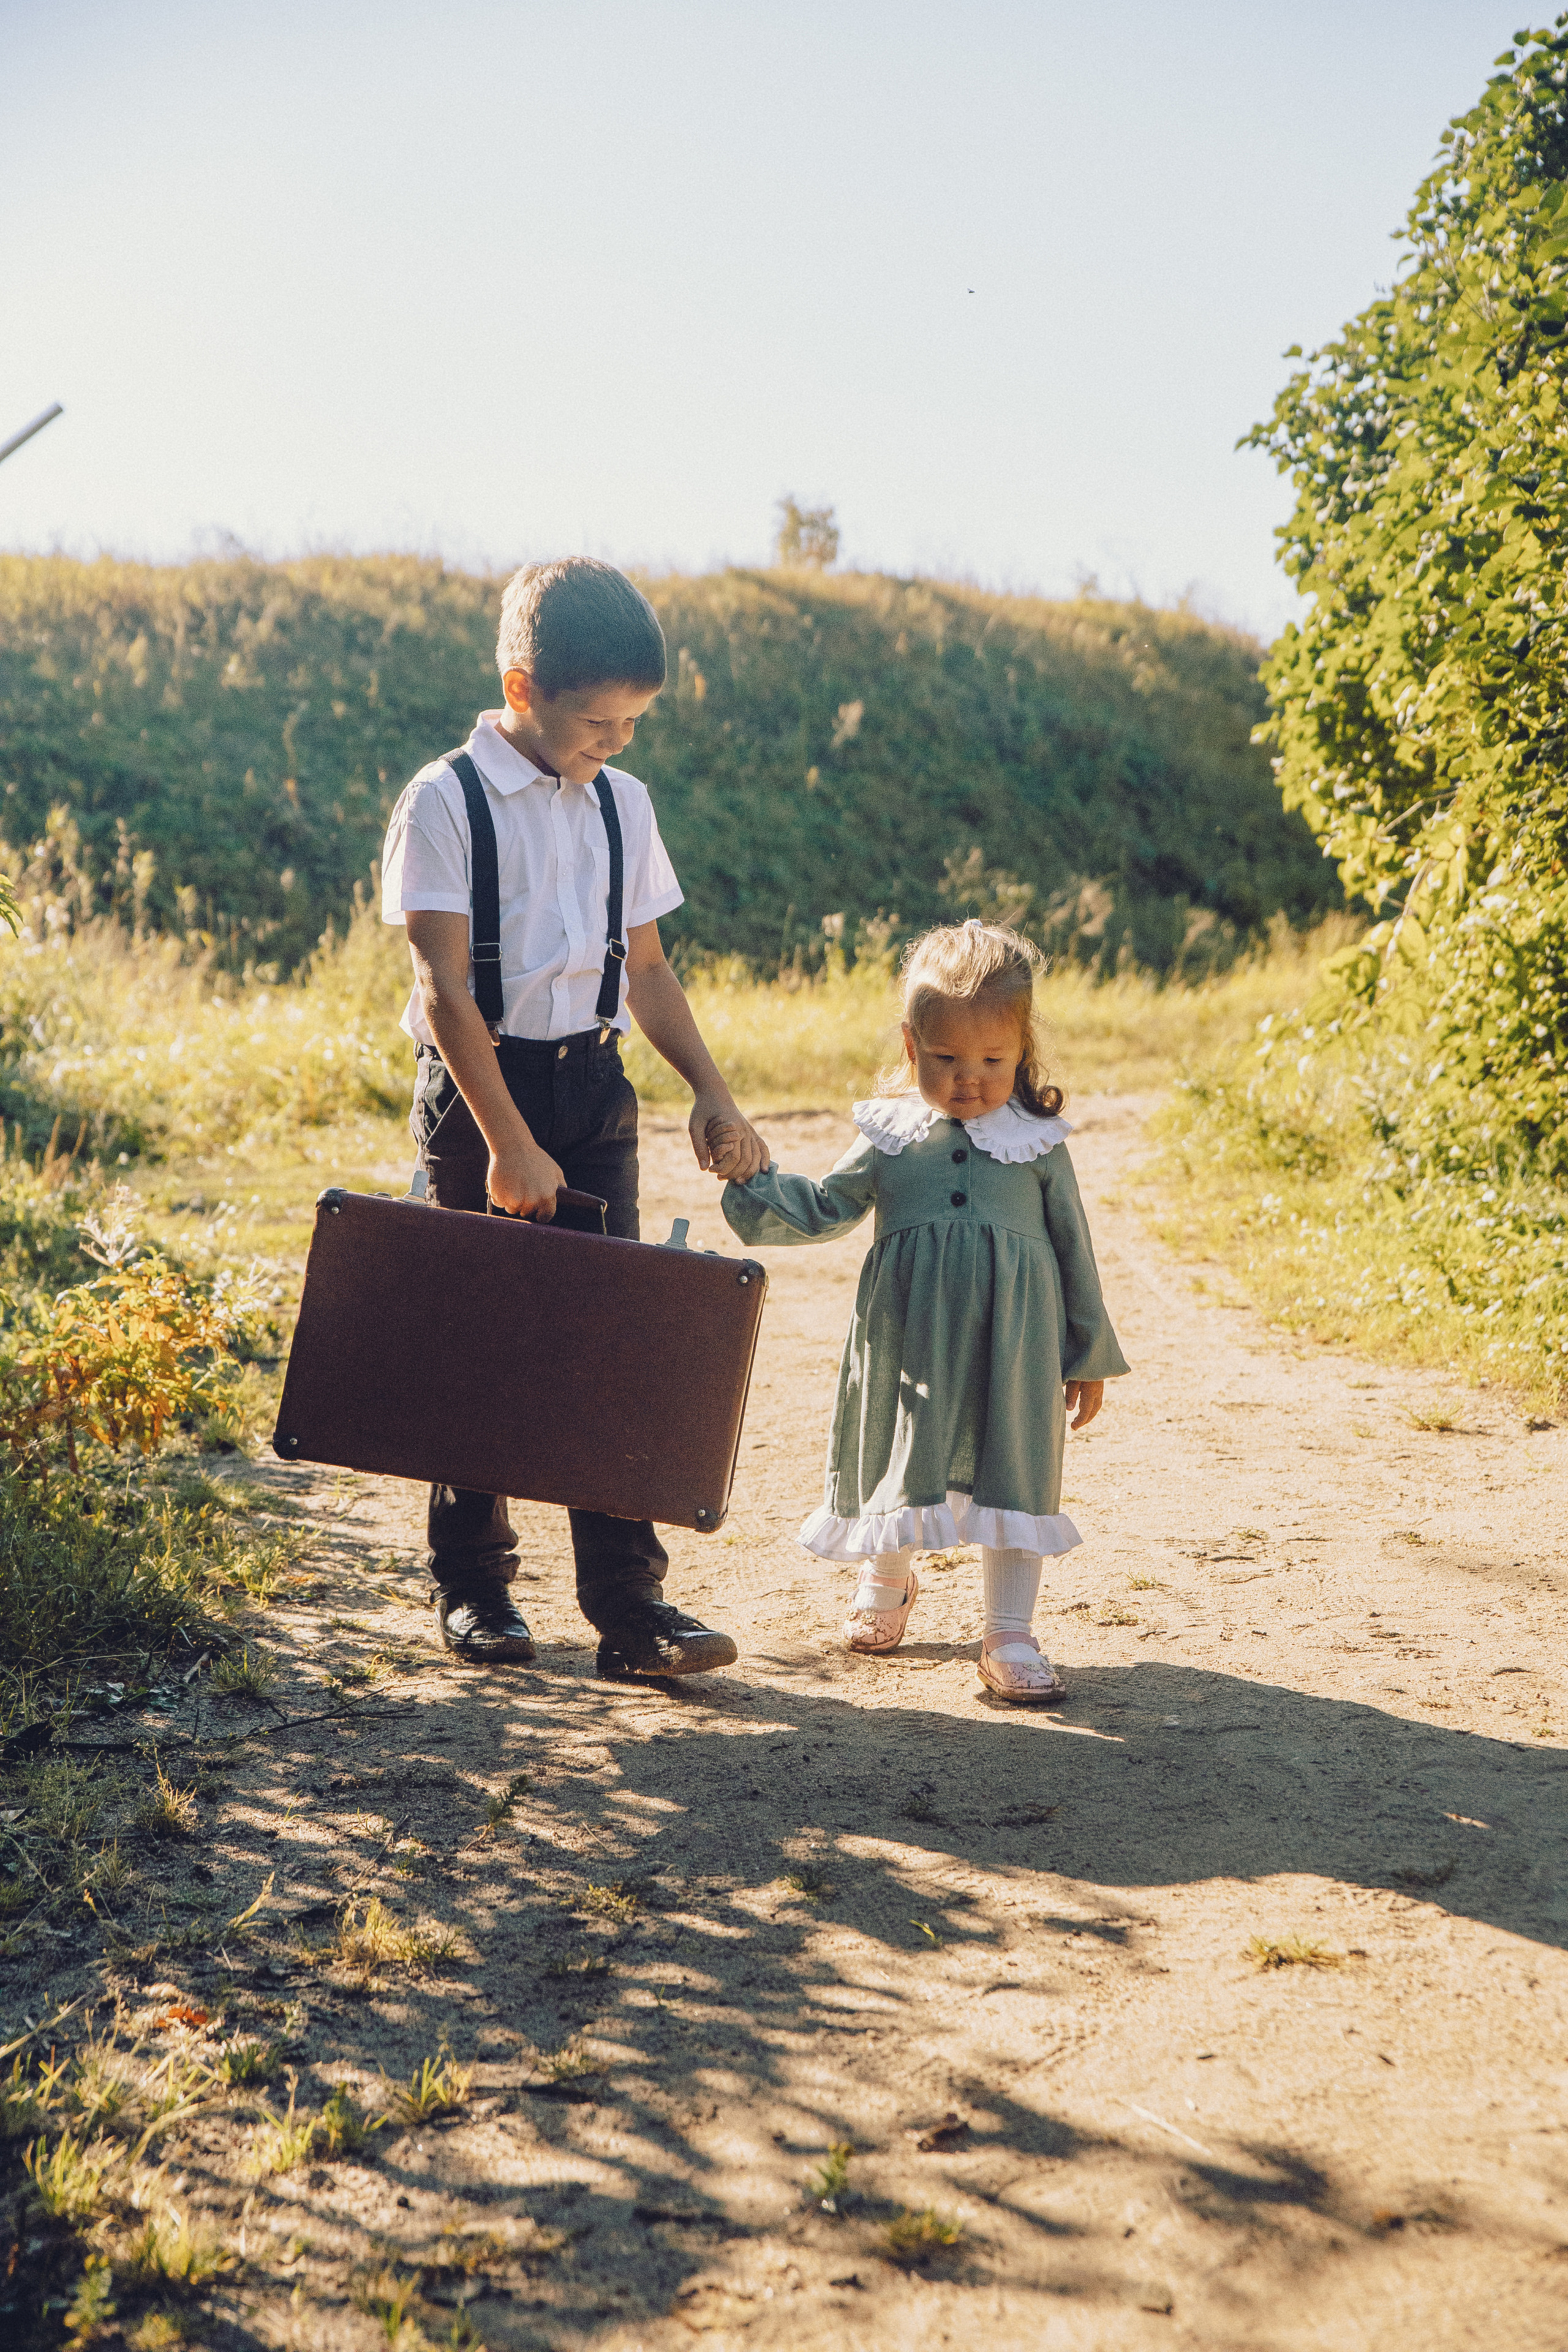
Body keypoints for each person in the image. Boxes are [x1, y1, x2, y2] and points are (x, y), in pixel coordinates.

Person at [380, 557, 768, 1675]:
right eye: (600, 720)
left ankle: (629, 1606)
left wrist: (709, 1088)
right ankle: (476, 1588)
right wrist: (506, 1140)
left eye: (633, 721)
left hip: (592, 1088)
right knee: (481, 1334)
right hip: (481, 1091)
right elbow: (447, 990)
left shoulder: (622, 803)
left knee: (611, 1334)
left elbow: (645, 967)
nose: (619, 740)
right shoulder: (443, 802)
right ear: (522, 688)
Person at [712, 920, 1128, 1703]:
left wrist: (1088, 1354)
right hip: (908, 1337)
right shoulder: (891, 1137)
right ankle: (887, 1577)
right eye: (945, 1059)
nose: (970, 1078)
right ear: (911, 1047)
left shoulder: (1037, 1144)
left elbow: (1075, 1250)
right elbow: (824, 1207)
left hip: (1017, 1344)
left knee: (1014, 1467)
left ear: (1021, 1048)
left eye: (993, 1060)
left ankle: (1008, 1631)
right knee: (907, 1450)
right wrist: (751, 1181)